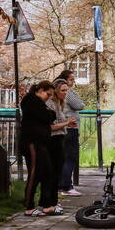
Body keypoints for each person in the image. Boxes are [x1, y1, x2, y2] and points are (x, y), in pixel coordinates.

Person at [20, 81, 60, 216]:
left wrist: (49, 114)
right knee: (35, 172)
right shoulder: (30, 100)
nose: (48, 97)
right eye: (48, 94)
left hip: (41, 142)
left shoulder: (39, 103)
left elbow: (50, 115)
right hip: (32, 142)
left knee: (48, 172)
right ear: (41, 90)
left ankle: (47, 204)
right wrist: (49, 114)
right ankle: (28, 205)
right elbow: (47, 116)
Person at [46, 80, 78, 213]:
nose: (66, 93)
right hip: (52, 140)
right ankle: (49, 202)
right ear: (56, 91)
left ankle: (54, 202)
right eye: (63, 90)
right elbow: (51, 127)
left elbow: (59, 122)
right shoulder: (50, 104)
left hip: (60, 138)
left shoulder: (60, 103)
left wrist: (67, 123)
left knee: (57, 170)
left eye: (67, 90)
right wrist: (66, 123)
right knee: (52, 172)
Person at [54, 69, 85, 196]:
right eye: (71, 79)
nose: (73, 82)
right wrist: (81, 102)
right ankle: (66, 185)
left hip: (64, 128)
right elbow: (79, 105)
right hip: (70, 128)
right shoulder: (68, 91)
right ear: (64, 80)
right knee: (70, 157)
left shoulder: (60, 93)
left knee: (64, 157)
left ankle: (61, 184)